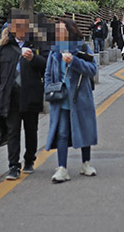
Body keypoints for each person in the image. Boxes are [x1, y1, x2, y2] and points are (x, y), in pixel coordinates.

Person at [0, 10, 48, 180]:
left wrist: (33, 59)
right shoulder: (4, 48)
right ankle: (13, 166)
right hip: (10, 96)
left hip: (31, 95)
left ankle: (29, 159)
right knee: (13, 131)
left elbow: (46, 65)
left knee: (31, 130)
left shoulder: (36, 45)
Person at [45, 18, 99, 183]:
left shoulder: (82, 47)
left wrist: (74, 61)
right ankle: (62, 168)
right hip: (61, 100)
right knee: (62, 133)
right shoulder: (54, 51)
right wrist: (49, 88)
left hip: (80, 99)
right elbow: (47, 74)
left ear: (70, 31)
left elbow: (93, 69)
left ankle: (86, 163)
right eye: (57, 31)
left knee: (84, 130)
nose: (58, 33)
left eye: (61, 30)